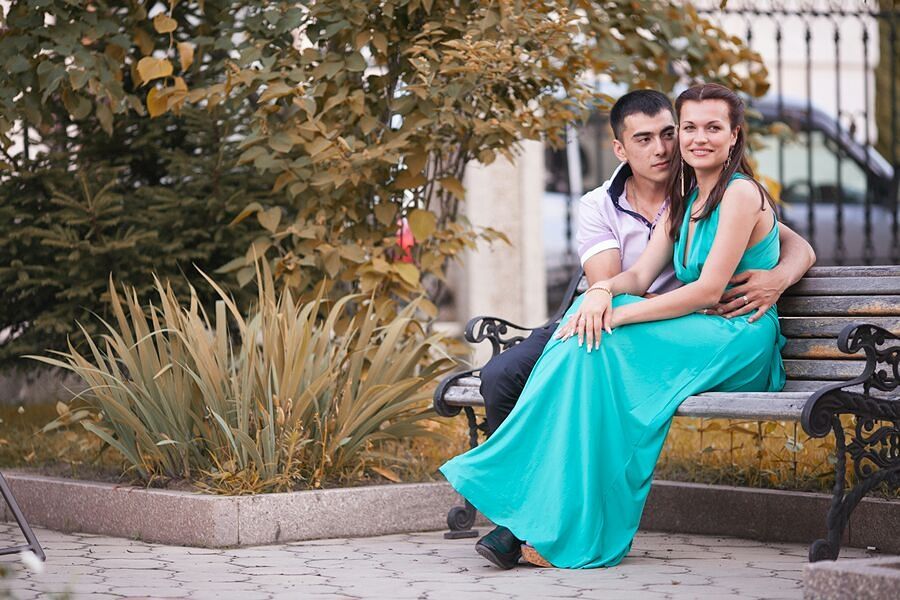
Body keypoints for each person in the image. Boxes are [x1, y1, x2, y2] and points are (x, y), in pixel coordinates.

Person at [442, 82, 813, 569]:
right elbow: (636, 277)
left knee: (599, 342)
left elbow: (708, 290)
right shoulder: (683, 198)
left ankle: (543, 512)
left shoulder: (741, 193)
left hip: (739, 333)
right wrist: (598, 294)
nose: (697, 138)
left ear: (734, 136)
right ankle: (539, 511)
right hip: (689, 330)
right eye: (690, 127)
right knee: (584, 344)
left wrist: (616, 313)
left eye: (712, 128)